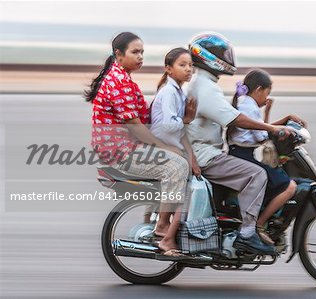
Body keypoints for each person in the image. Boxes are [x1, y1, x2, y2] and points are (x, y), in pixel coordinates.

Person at [185, 32, 292, 255]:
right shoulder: (205, 86)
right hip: (205, 155)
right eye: (223, 55)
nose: (227, 58)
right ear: (208, 57)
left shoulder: (203, 83)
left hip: (205, 151)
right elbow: (235, 119)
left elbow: (231, 116)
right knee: (257, 175)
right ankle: (247, 233)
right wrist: (271, 128)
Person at [85, 32, 190, 257]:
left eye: (142, 52)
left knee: (173, 164)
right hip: (121, 152)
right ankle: (162, 227)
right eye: (135, 52)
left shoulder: (123, 77)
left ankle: (152, 221)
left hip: (128, 147)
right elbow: (134, 125)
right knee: (177, 166)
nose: (140, 56)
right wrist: (165, 146)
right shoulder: (118, 81)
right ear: (119, 55)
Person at [227, 69, 307, 245]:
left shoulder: (245, 102)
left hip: (239, 154)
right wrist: (284, 130)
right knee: (289, 187)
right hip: (243, 157)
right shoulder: (249, 105)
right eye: (267, 93)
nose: (266, 97)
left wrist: (283, 119)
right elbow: (262, 135)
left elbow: (260, 127)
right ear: (258, 90)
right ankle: (259, 225)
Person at [148, 47, 200, 255]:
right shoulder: (169, 92)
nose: (188, 69)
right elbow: (171, 126)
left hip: (172, 146)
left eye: (190, 66)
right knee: (186, 189)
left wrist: (192, 156)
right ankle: (163, 227)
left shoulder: (179, 92)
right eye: (182, 65)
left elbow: (181, 132)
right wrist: (187, 118)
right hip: (162, 148)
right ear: (168, 69)